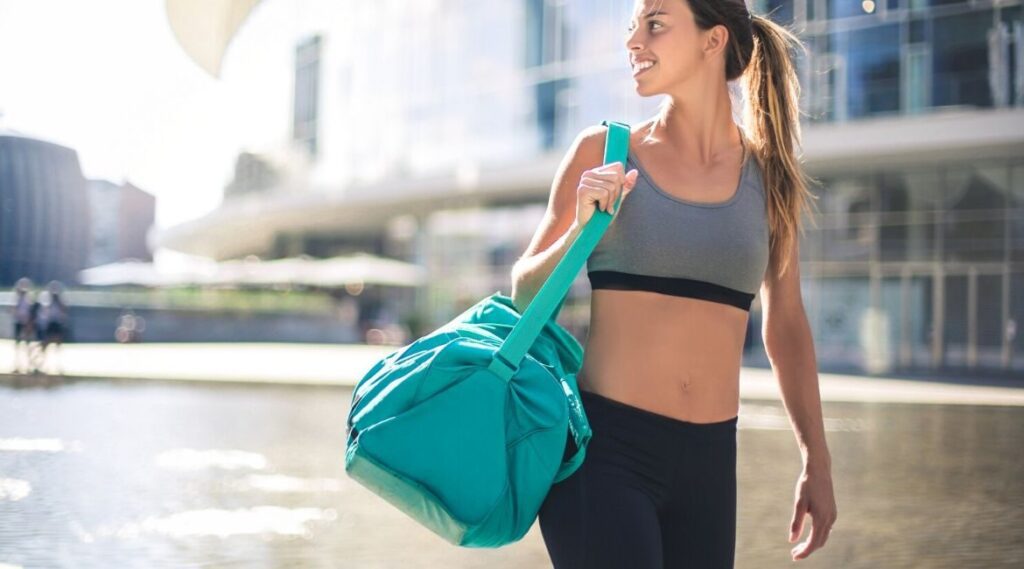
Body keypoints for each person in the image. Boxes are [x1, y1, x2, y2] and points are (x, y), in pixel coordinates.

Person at [510, 2, 837, 567]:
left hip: (711, 465)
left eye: (655, 24)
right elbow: (523, 294)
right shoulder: (604, 152)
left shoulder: (771, 176)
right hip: (604, 455)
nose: (634, 40)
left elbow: (785, 323)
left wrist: (817, 457)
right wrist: (581, 233)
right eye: (632, 26)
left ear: (713, 42)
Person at [11, 277, 35, 373]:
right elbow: (13, 310)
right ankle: (17, 365)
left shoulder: (29, 298)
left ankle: (28, 365)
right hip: (18, 322)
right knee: (17, 345)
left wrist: (29, 323)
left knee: (27, 345)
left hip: (26, 323)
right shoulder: (16, 298)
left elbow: (31, 312)